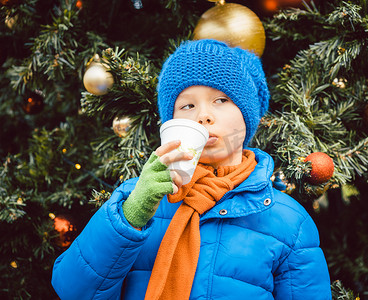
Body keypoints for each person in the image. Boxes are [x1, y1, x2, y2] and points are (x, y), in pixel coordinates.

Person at [52, 39, 331, 300]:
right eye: (187, 105)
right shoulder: (134, 197)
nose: (203, 115)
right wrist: (131, 216)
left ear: (248, 117)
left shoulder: (289, 221)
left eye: (221, 100)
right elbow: (73, 290)